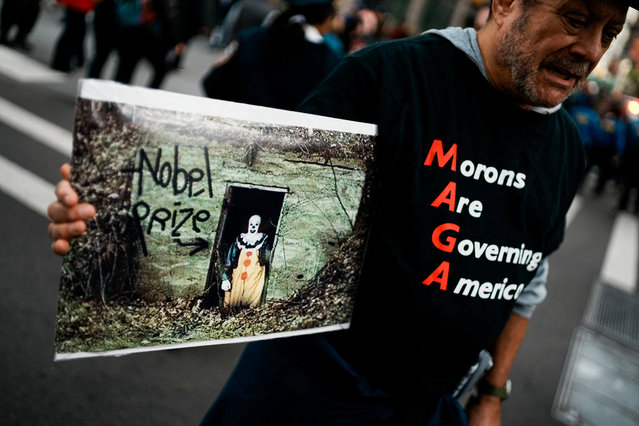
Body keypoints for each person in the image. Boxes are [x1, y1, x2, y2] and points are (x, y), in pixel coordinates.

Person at [47, 0, 633, 424]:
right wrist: (119, 215)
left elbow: (526, 279)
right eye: (576, 18)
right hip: (307, 389)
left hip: (431, 407)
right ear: (506, 3)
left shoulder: (566, 148)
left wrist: (489, 396)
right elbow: (254, 199)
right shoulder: (391, 77)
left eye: (608, 30)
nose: (589, 49)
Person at [201, 0, 341, 111]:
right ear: (326, 19)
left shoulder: (251, 37)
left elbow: (212, 83)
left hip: (235, 129)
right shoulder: (329, 61)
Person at [221, 214, 270, 308]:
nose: (253, 227)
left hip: (255, 274)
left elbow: (266, 259)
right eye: (251, 224)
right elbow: (230, 259)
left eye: (256, 224)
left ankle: (249, 314)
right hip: (239, 273)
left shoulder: (263, 241)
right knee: (236, 295)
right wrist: (225, 277)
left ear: (260, 226)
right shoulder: (240, 240)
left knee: (251, 296)